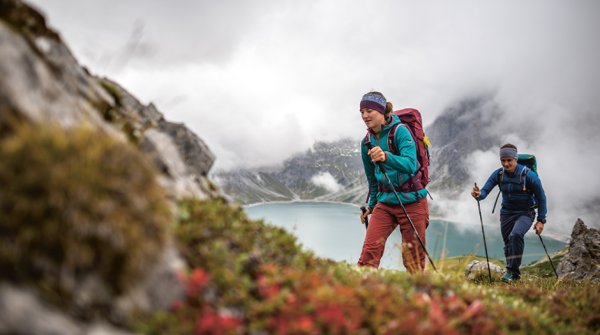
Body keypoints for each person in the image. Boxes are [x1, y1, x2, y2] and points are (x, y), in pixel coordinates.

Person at [357, 91, 430, 272]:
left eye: (369, 111)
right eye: (362, 112)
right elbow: (372, 178)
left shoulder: (400, 132)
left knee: (413, 261)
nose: (365, 116)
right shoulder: (366, 142)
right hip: (386, 202)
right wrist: (371, 205)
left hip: (413, 201)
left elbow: (410, 164)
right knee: (369, 253)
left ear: (381, 111)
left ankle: (419, 296)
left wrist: (385, 156)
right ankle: (361, 294)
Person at [471, 144, 547, 282]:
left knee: (516, 235)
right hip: (506, 213)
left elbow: (541, 197)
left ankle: (513, 272)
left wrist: (541, 220)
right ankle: (513, 274)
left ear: (515, 159)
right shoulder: (499, 174)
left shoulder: (528, 175)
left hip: (526, 213)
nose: (506, 164)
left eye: (509, 160)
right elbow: (484, 192)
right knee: (508, 244)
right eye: (503, 160)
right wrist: (478, 194)